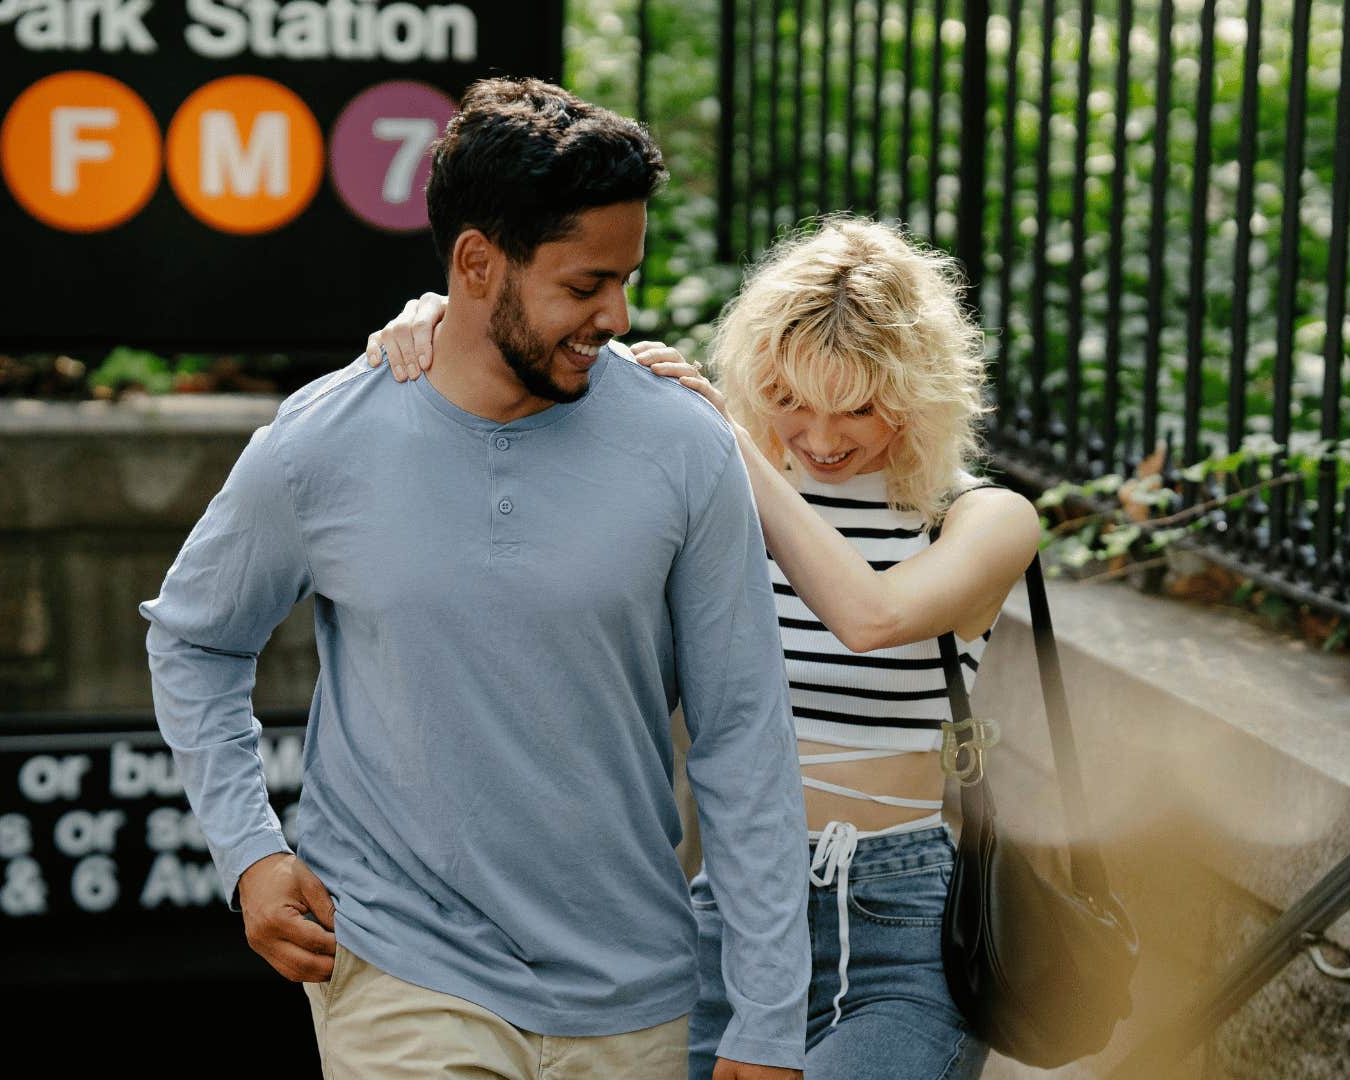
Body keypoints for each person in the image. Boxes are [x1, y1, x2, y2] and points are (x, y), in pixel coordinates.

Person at [142, 78, 810, 1080]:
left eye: (625, 279)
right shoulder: (324, 441)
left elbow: (742, 736)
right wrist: (250, 852)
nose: (617, 316)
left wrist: (766, 1013)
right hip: (401, 965)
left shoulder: (684, 448)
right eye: (585, 286)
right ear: (475, 263)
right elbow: (195, 639)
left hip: (629, 990)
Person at [368, 214, 1042, 1079]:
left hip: (900, 927)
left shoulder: (980, 518)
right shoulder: (720, 501)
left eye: (861, 407)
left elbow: (869, 617)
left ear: (916, 395)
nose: (824, 439)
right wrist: (442, 324)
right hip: (730, 919)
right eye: (791, 400)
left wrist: (734, 444)